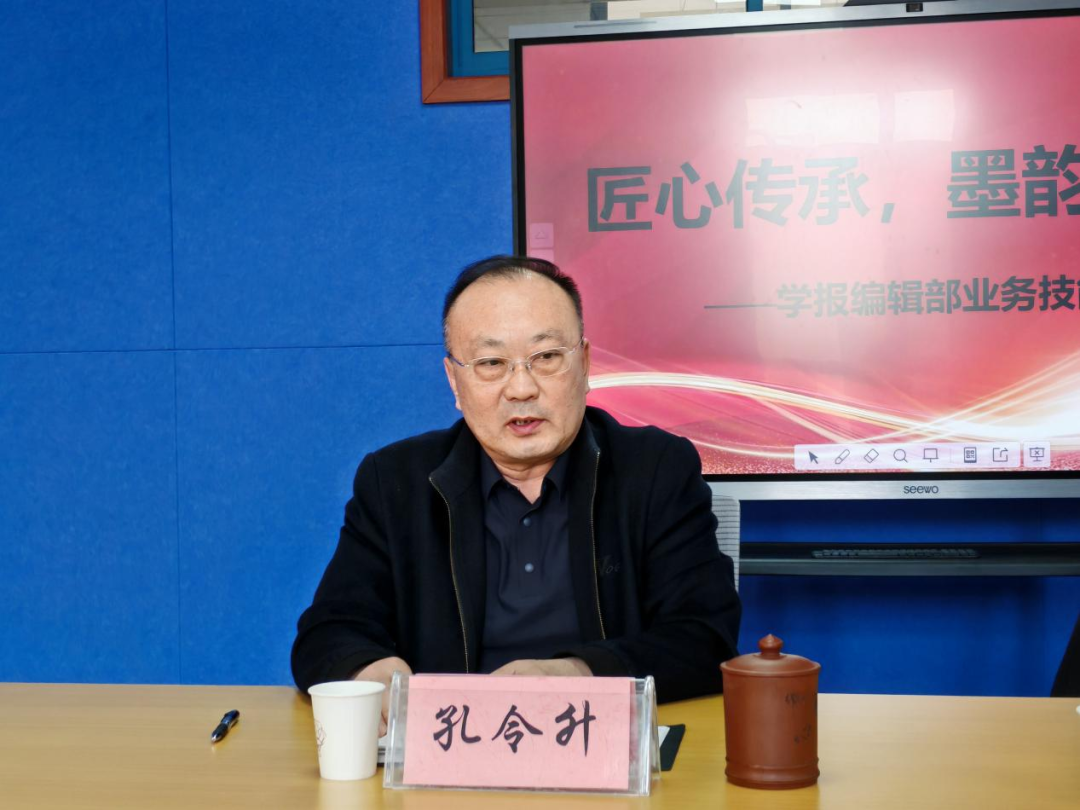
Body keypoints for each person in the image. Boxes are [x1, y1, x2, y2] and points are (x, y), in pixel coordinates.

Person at [291, 255, 740, 730]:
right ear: (455, 381)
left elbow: (704, 637)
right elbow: (328, 633)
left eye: (546, 357)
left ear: (585, 363)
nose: (522, 388)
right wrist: (369, 670)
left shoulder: (654, 469)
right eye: (491, 363)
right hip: (451, 751)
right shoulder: (395, 482)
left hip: (602, 747)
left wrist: (578, 674)